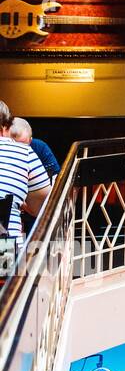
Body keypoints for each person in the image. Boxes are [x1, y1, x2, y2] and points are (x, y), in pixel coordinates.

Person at [0, 101, 51, 257]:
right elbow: (40, 207)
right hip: (4, 251)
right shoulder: (24, 152)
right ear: (5, 128)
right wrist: (21, 203)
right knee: (11, 277)